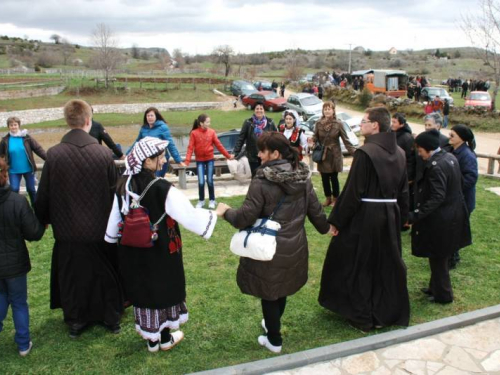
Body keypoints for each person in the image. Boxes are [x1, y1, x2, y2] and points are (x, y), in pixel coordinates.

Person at [216, 132, 331, 353]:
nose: (258, 155)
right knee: (281, 288)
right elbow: (315, 209)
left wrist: (226, 211)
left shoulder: (263, 179)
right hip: (293, 246)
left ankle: (274, 339)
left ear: (275, 153)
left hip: (269, 246)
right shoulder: (302, 175)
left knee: (269, 292)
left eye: (262, 150)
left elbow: (244, 217)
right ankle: (272, 323)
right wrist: (325, 228)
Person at [105, 137, 217, 352]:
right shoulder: (162, 188)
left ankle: (152, 340)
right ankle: (164, 339)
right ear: (147, 161)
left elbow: (114, 222)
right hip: (160, 249)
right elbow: (189, 216)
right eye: (161, 157)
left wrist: (111, 239)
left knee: (143, 290)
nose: (164, 160)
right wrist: (215, 213)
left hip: (132, 250)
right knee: (162, 289)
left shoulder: (123, 185)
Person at [35, 99, 124, 338]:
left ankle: (77, 320)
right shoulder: (103, 154)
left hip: (68, 231)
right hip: (99, 229)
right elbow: (115, 193)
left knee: (73, 277)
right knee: (104, 274)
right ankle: (110, 317)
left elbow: (43, 196)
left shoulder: (54, 155)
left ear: (68, 121)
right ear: (88, 120)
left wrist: (42, 219)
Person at [318, 106, 410, 332]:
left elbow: (352, 193)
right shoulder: (400, 152)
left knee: (359, 264)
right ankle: (384, 312)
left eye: (364, 121)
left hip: (366, 218)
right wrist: (403, 218)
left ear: (375, 125)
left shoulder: (365, 153)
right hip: (389, 216)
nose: (361, 125)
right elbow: (404, 192)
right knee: (385, 264)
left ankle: (362, 316)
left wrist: (336, 222)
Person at [409, 130, 471, 304]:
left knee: (439, 258)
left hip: (442, 219)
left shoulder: (436, 166)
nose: (420, 155)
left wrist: (416, 215)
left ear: (428, 149)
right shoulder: (450, 158)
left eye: (420, 151)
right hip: (452, 215)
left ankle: (443, 295)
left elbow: (437, 196)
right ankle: (434, 288)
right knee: (437, 256)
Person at [0, 158, 44, 357]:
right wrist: (41, 221)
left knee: (3, 298)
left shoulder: (16, 201)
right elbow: (34, 232)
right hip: (15, 265)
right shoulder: (17, 202)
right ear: (5, 174)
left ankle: (24, 343)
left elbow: (33, 232)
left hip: (13, 262)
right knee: (18, 302)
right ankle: (23, 343)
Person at [184, 114, 234, 209]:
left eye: (209, 122)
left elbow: (219, 145)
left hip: (210, 160)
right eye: (207, 122)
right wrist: (187, 162)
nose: (209, 123)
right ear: (201, 123)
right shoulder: (194, 133)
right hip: (199, 161)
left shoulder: (212, 132)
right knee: (201, 182)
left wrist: (228, 156)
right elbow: (190, 148)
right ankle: (201, 201)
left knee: (210, 181)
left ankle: (212, 200)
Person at [313, 101, 356, 207]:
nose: (327, 111)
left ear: (333, 110)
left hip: (334, 155)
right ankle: (328, 198)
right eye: (325, 109)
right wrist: (312, 140)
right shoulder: (318, 123)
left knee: (334, 177)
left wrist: (355, 153)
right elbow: (315, 137)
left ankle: (335, 199)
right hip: (323, 154)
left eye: (329, 109)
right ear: (323, 111)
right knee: (324, 178)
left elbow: (346, 140)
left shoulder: (339, 123)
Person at [448, 124, 478, 269]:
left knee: (455, 229)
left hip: (463, 200)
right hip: (454, 199)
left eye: (452, 135)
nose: (449, 137)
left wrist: (454, 188)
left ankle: (452, 257)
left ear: (461, 138)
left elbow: (471, 178)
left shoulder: (467, 155)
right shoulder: (452, 150)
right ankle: (452, 255)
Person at [0, 117, 46, 205]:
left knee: (31, 189)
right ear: (8, 126)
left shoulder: (27, 138)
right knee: (14, 189)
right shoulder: (5, 140)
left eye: (15, 125)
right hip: (13, 170)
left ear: (18, 125)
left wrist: (49, 159)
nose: (13, 127)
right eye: (11, 125)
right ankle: (16, 209)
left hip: (28, 169)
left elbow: (38, 149)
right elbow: (0, 155)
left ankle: (36, 208)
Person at [130, 107, 186, 177]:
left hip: (160, 159)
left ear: (156, 116)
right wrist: (127, 154)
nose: (150, 117)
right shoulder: (143, 128)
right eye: (148, 116)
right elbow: (137, 142)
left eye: (152, 115)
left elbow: (171, 145)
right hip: (148, 160)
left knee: (156, 179)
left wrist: (178, 160)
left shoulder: (162, 127)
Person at [233, 103, 277, 177]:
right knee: (255, 178)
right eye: (257, 109)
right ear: (254, 110)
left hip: (267, 156)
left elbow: (276, 138)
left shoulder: (270, 122)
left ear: (264, 110)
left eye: (261, 108)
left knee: (267, 177)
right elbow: (241, 138)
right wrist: (235, 152)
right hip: (253, 156)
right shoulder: (248, 122)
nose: (259, 110)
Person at [391, 113, 416, 184]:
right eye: (391, 121)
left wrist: (409, 177)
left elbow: (410, 158)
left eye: (394, 122)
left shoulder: (407, 138)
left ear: (401, 124)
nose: (392, 124)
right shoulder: (391, 133)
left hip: (401, 173)